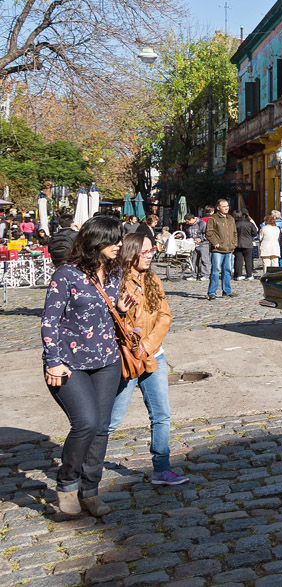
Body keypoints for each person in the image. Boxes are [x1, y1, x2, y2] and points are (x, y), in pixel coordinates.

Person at [41, 215, 131, 517]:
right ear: (95, 241)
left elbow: (106, 308)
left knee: (102, 428)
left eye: (120, 238)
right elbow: (49, 320)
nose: (119, 244)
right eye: (113, 239)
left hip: (107, 361)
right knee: (86, 423)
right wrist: (52, 361)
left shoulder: (115, 272)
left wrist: (118, 307)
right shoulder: (66, 274)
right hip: (69, 364)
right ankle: (67, 484)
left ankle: (90, 490)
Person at [107, 234, 189, 486]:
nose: (150, 253)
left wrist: (148, 345)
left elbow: (165, 316)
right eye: (144, 250)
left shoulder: (152, 278)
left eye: (151, 249)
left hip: (154, 356)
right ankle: (80, 465)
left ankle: (161, 469)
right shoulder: (115, 281)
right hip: (127, 359)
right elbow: (109, 320)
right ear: (130, 252)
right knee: (110, 420)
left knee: (161, 414)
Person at [205, 199, 237, 300]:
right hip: (217, 250)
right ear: (218, 208)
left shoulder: (231, 218)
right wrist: (216, 244)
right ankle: (212, 292)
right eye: (224, 206)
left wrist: (234, 244)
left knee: (227, 271)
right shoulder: (213, 219)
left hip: (229, 249)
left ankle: (227, 291)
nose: (226, 208)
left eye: (227, 206)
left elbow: (234, 233)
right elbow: (209, 233)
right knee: (215, 271)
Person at [233, 210, 258, 280]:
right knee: (248, 260)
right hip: (248, 243)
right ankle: (249, 274)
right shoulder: (250, 224)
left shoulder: (236, 224)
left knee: (238, 260)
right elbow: (255, 233)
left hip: (238, 243)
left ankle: (238, 274)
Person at [183, 213, 209, 282]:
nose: (187, 223)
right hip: (193, 244)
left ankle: (205, 275)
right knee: (194, 260)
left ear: (192, 219)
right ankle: (194, 275)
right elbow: (185, 233)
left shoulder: (202, 224)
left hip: (203, 244)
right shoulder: (187, 226)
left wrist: (201, 239)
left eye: (188, 221)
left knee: (204, 260)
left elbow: (207, 233)